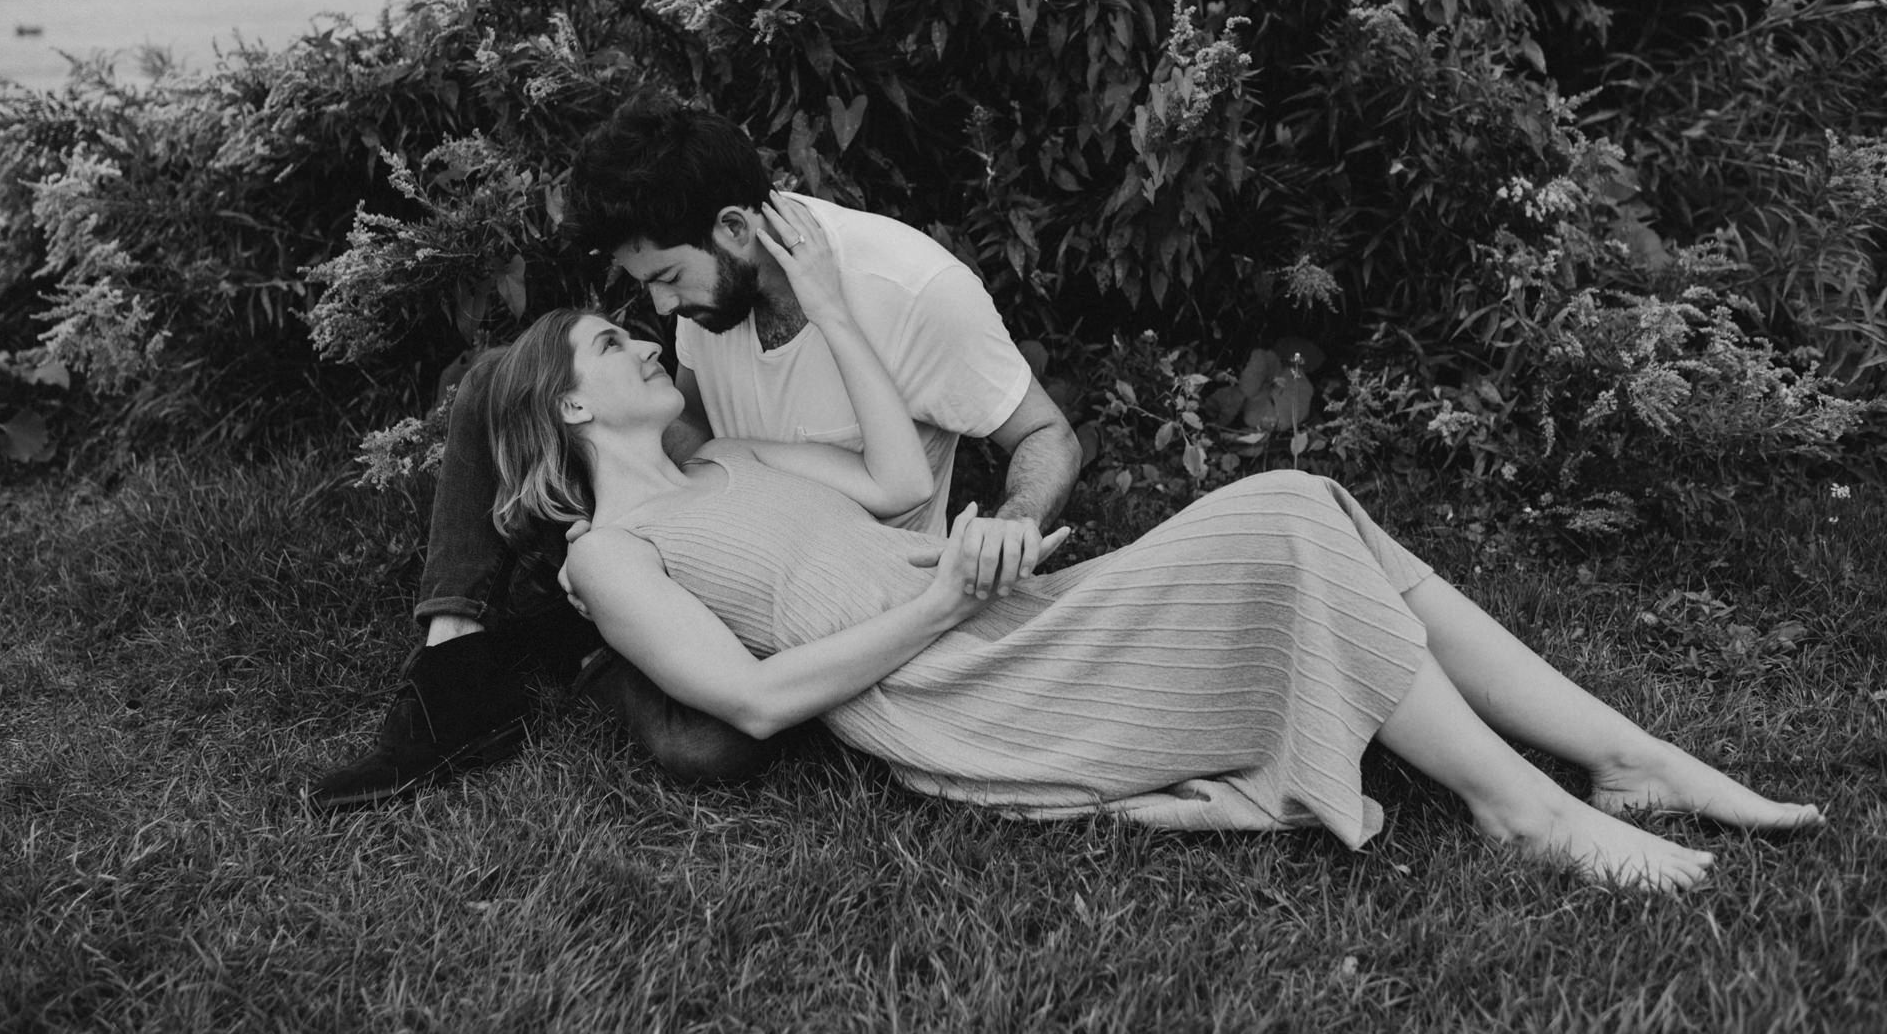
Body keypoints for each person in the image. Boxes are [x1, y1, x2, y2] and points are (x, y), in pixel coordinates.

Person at [489, 195, 1823, 891]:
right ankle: (1522, 803)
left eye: (642, 307)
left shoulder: (724, 451)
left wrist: (831, 306)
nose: (649, 331)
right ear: (569, 400)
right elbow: (761, 695)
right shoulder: (611, 553)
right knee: (1291, 515)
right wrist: (946, 602)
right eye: (616, 338)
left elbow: (900, 478)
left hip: (992, 609)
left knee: (1316, 511)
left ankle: (1622, 758)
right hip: (952, 683)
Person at [306, 101, 1080, 810]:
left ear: (736, 230)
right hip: (712, 545)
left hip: (846, 581)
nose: (662, 313)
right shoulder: (708, 302)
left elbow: (1045, 437)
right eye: (649, 289)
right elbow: (688, 441)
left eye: (668, 279)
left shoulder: (911, 290)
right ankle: (457, 657)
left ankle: (576, 641)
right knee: (497, 382)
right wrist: (610, 542)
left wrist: (1009, 524)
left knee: (707, 740)